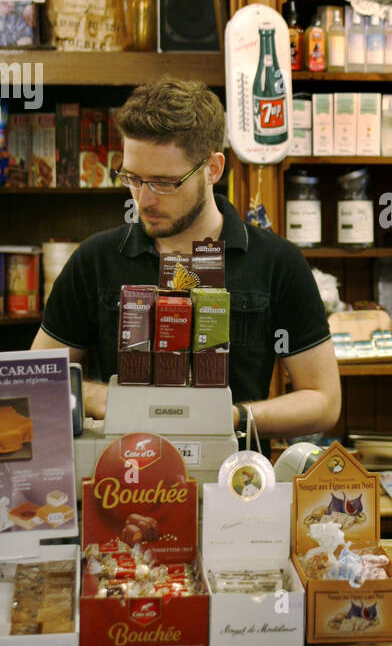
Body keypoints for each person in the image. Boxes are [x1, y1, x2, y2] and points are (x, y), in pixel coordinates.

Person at [32, 78, 340, 443]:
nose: (142, 200)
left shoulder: (277, 262)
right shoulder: (95, 260)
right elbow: (38, 381)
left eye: (164, 182)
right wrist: (103, 397)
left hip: (234, 484)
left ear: (213, 168)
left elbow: (324, 402)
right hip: (121, 480)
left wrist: (234, 416)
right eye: (132, 178)